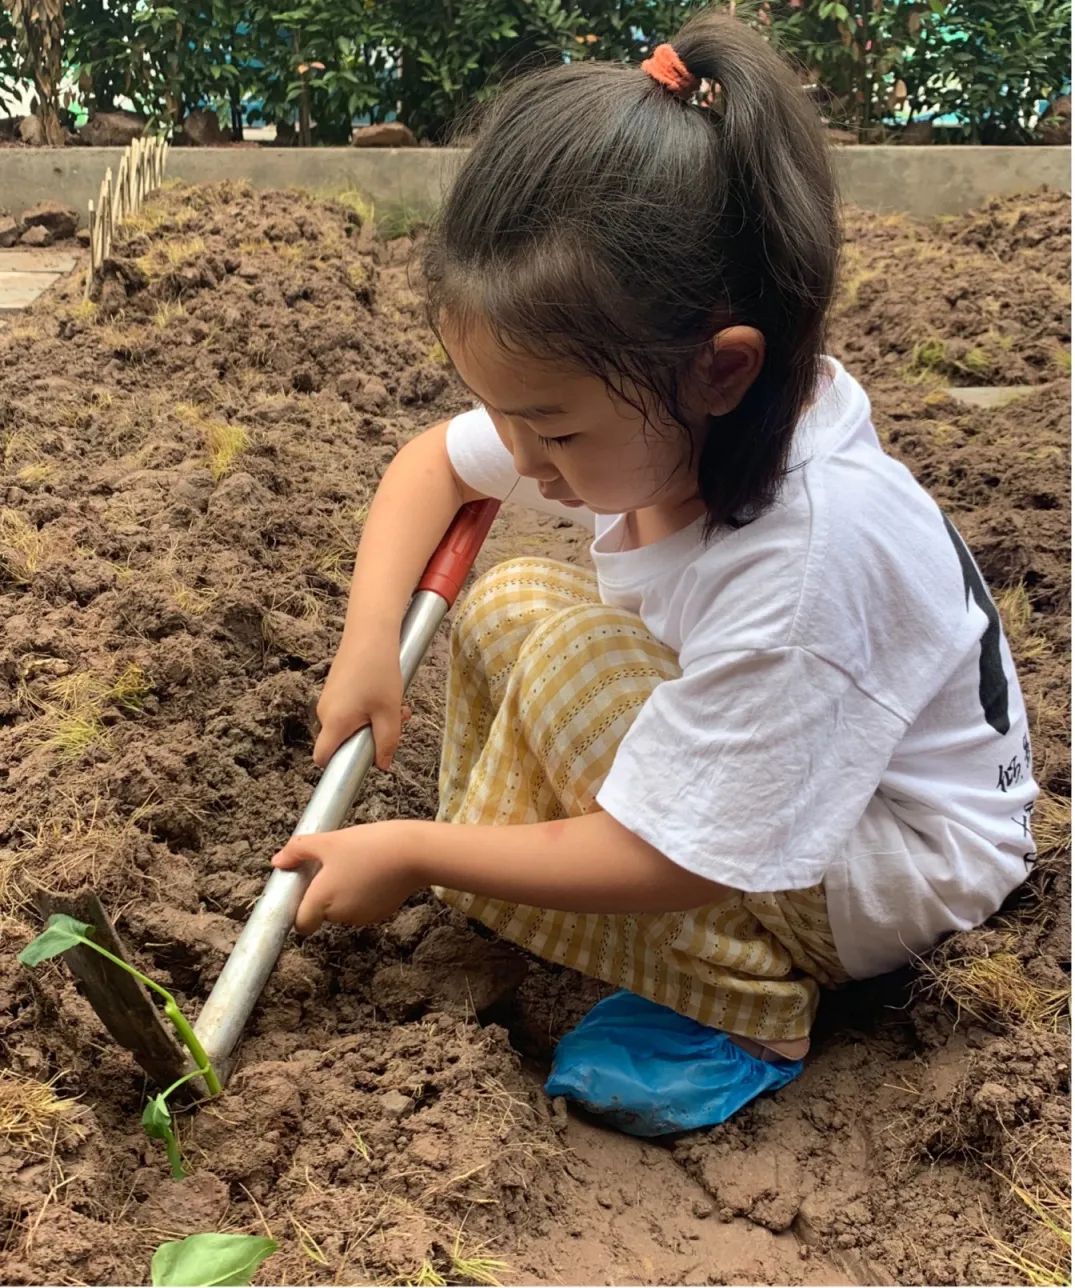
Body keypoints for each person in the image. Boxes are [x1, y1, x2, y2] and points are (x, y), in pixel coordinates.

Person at [271, 10, 1038, 1129]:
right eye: (505, 417)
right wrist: (368, 649)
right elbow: (432, 466)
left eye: (554, 433)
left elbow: (669, 852)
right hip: (803, 771)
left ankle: (749, 1001)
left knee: (570, 654)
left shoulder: (812, 556)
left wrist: (414, 850)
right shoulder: (672, 413)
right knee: (515, 603)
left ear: (720, 370)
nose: (525, 460)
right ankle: (517, 880)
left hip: (892, 863)